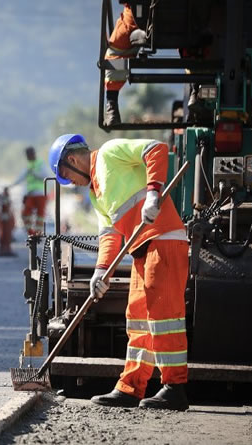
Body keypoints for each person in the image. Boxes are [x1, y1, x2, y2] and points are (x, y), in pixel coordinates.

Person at [48, 133, 189, 411]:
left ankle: (175, 387)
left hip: (163, 238)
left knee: (164, 314)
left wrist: (153, 193)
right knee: (137, 317)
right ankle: (130, 387)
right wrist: (100, 272)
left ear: (73, 160)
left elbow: (155, 149)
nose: (71, 184)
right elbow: (110, 235)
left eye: (67, 177)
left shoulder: (112, 152)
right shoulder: (96, 193)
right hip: (142, 249)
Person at [103, 3, 146, 126]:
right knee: (196, 50)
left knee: (114, 53)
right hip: (184, 24)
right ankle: (196, 93)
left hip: (138, 21)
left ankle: (112, 108)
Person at [9, 146, 47, 236]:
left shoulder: (40, 163)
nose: (28, 157)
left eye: (29, 154)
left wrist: (34, 173)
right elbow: (21, 177)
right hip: (30, 193)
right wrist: (11, 186)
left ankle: (38, 232)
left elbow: (44, 176)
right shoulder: (28, 165)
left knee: (40, 214)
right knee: (25, 213)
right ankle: (31, 232)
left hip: (40, 193)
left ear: (33, 154)